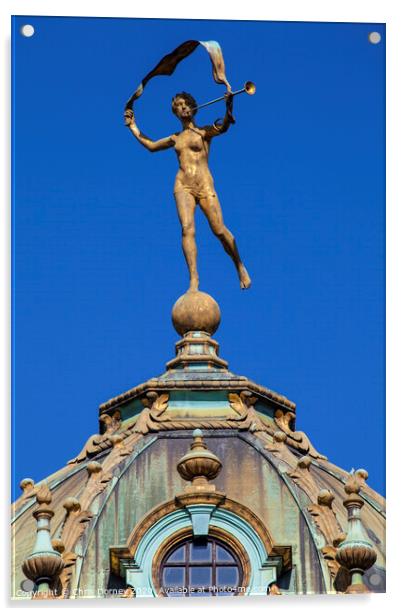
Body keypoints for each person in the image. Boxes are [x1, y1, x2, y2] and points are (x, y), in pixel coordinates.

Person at [124, 91, 251, 291]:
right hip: (183, 184)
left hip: (204, 184)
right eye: (178, 106)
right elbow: (151, 145)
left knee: (219, 229)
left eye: (185, 104)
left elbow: (224, 126)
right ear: (176, 113)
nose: (182, 107)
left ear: (193, 107)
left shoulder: (204, 132)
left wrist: (229, 106)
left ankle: (239, 265)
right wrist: (133, 126)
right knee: (187, 229)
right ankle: (194, 280)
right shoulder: (175, 138)